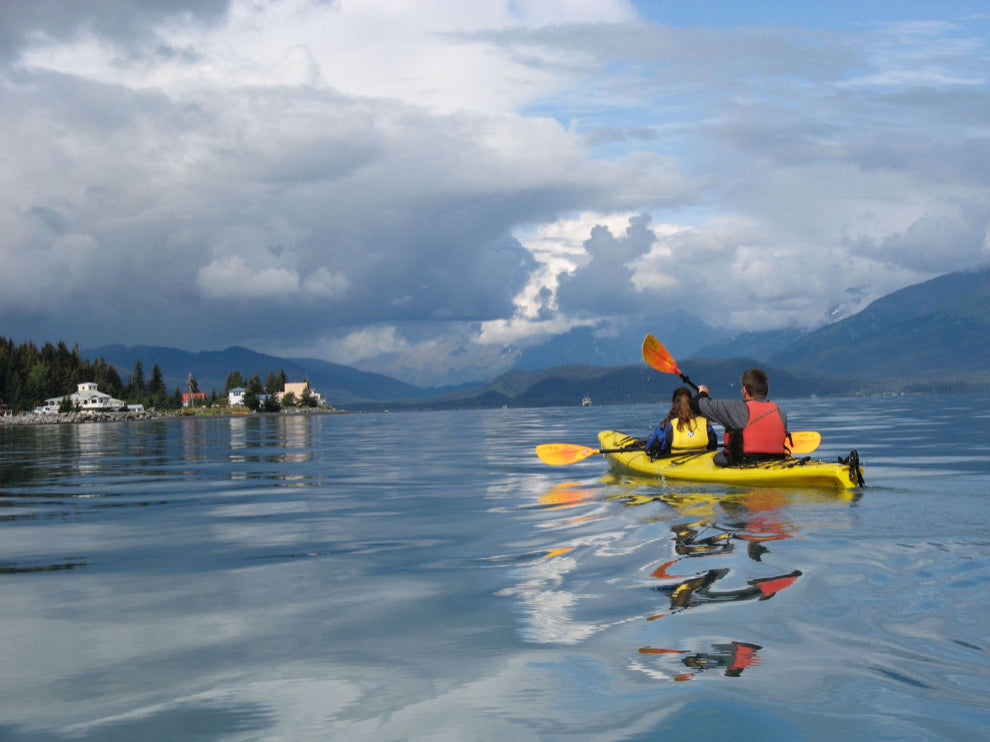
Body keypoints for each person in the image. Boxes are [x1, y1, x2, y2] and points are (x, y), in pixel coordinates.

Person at [690, 368, 789, 466]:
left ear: (745, 390)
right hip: (778, 459)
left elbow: (695, 404)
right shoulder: (781, 412)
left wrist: (703, 392)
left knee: (716, 457)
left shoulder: (735, 408)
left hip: (744, 460)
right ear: (766, 389)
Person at [644, 386, 717, 460]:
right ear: (692, 403)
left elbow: (650, 449)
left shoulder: (667, 425)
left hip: (675, 464)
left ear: (673, 403)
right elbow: (713, 445)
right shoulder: (704, 423)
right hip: (702, 463)